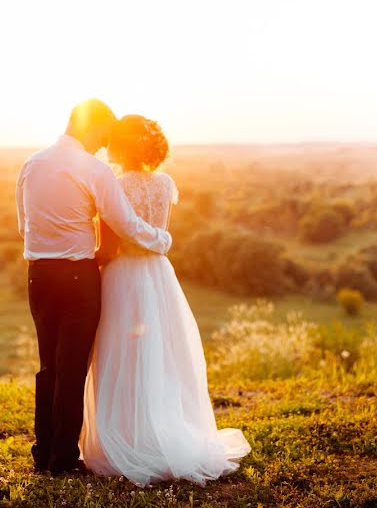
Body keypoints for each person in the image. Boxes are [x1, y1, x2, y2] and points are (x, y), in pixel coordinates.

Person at [79, 114, 250, 486]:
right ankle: (168, 432)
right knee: (162, 357)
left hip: (122, 276)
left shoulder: (114, 184)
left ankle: (127, 439)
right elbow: (159, 233)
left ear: (120, 144)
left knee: (121, 356)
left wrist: (88, 260)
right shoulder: (164, 183)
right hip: (158, 275)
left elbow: (108, 246)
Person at [15, 99, 172, 475]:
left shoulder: (31, 164)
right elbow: (127, 224)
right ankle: (63, 459)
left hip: (38, 275)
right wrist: (162, 240)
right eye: (103, 134)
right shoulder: (94, 169)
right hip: (76, 277)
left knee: (48, 366)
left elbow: (24, 226)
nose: (105, 143)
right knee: (72, 368)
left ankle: (45, 453)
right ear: (91, 127)